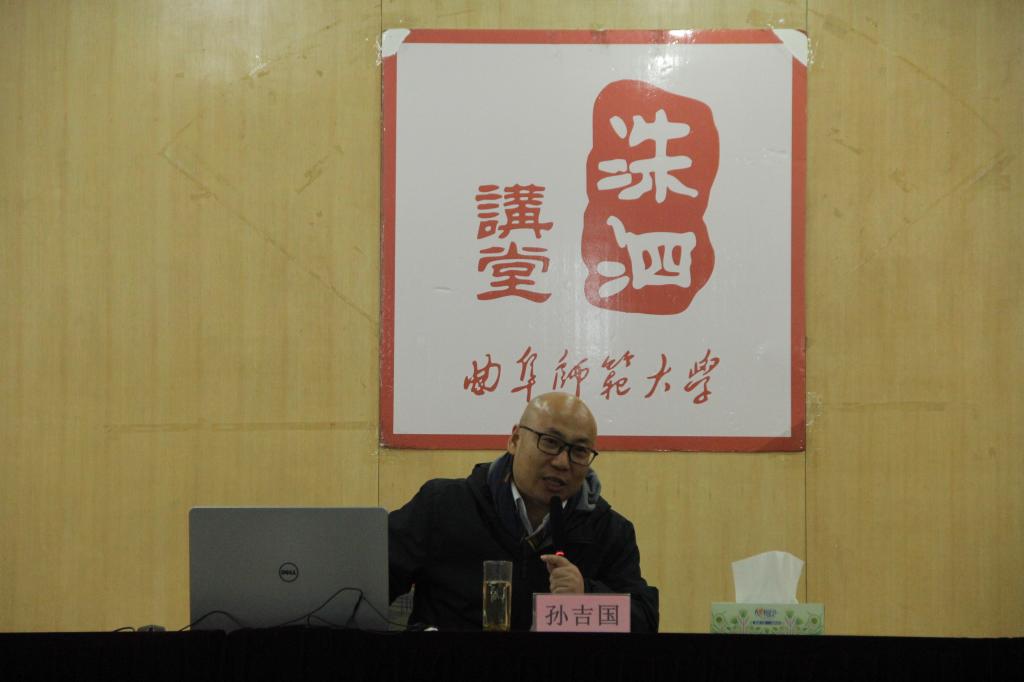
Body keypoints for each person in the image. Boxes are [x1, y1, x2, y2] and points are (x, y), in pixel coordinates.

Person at [388, 391, 659, 631]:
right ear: (515, 439)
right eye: (549, 442)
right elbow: (373, 583)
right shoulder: (443, 505)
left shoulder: (609, 530)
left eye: (579, 451)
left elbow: (645, 621)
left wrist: (585, 596)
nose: (562, 462)